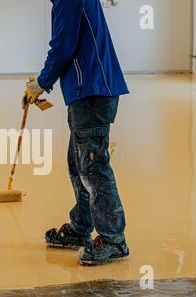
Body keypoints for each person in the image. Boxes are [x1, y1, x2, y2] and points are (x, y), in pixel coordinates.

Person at [24, 0, 130, 265]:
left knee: (92, 167)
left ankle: (113, 240)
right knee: (79, 163)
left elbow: (62, 47)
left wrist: (40, 83)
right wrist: (41, 82)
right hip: (87, 91)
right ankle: (81, 227)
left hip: (92, 91)